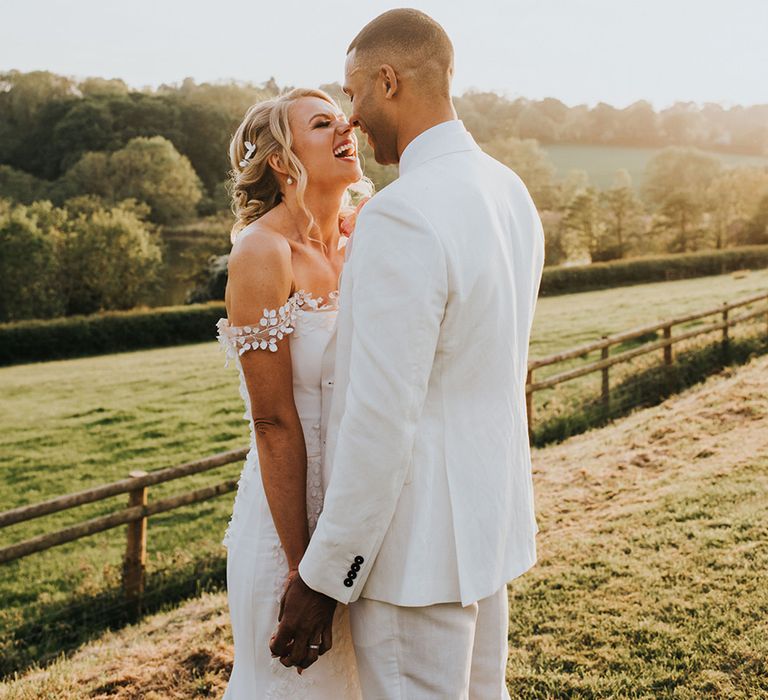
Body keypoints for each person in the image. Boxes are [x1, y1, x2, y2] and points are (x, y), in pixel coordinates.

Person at [271, 9, 545, 698]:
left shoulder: (403, 214)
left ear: (387, 80)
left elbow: (381, 418)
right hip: (485, 531)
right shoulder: (510, 191)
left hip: (412, 558)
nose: (352, 118)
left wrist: (325, 574)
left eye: (355, 93)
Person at [216, 87, 370, 698]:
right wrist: (307, 569)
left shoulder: (367, 237)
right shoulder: (262, 253)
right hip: (292, 523)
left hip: (359, 516)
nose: (346, 128)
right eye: (322, 123)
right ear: (282, 160)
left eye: (345, 118)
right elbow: (274, 421)